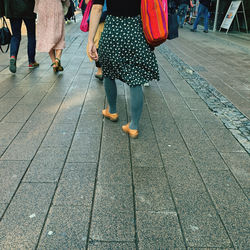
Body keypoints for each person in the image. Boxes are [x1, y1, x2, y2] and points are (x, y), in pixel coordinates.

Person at [87, 0, 159, 138]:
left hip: (113, 29)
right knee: (136, 78)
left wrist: (91, 40)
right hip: (135, 30)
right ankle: (134, 126)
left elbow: (96, 8)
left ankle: (112, 111)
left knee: (108, 72)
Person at [3, 0, 39, 73]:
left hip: (13, 10)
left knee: (15, 35)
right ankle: (31, 61)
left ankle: (13, 56)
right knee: (31, 35)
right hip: (28, 8)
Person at [34, 0, 70, 73]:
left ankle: (54, 62)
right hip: (56, 7)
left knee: (47, 36)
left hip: (42, 9)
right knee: (60, 34)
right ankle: (57, 59)